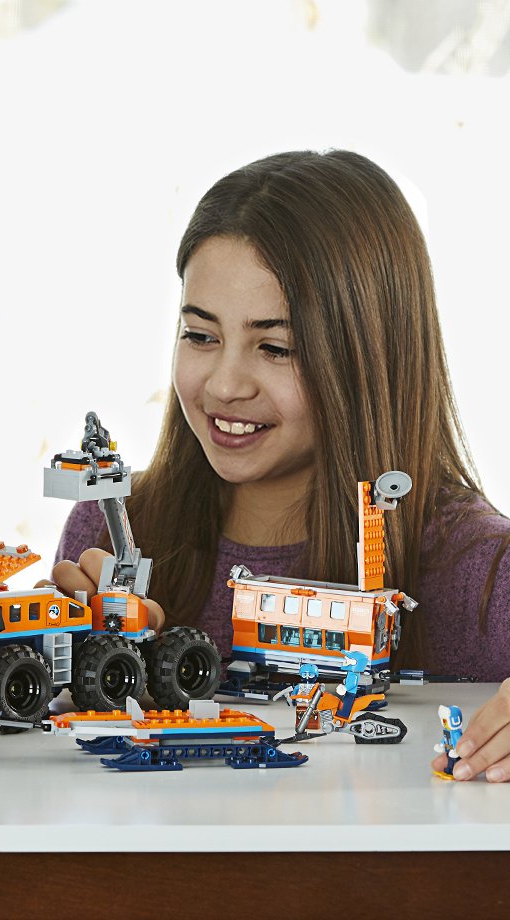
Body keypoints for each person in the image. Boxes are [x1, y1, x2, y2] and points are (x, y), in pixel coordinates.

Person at [49, 149, 510, 781]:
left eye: (275, 347)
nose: (225, 385)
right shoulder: (109, 529)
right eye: (201, 336)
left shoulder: (479, 572)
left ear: (370, 357)